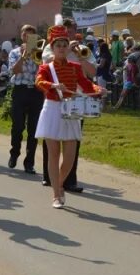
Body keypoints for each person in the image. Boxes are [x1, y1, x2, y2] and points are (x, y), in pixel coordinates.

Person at [35, 24, 104, 208]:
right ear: (52, 47)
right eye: (58, 45)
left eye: (64, 45)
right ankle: (56, 194)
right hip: (52, 109)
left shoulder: (75, 66)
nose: (62, 48)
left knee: (70, 157)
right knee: (54, 154)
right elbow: (39, 81)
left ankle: (59, 184)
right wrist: (53, 85)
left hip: (71, 110)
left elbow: (87, 85)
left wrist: (99, 89)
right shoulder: (46, 67)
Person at [6, 24, 43, 174]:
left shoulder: (39, 54)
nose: (27, 38)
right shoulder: (14, 52)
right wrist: (23, 55)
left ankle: (29, 162)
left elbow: (42, 73)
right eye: (25, 35)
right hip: (20, 90)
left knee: (33, 129)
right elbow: (14, 71)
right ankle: (14, 153)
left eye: (31, 36)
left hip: (35, 92)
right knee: (17, 126)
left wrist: (35, 55)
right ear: (21, 36)